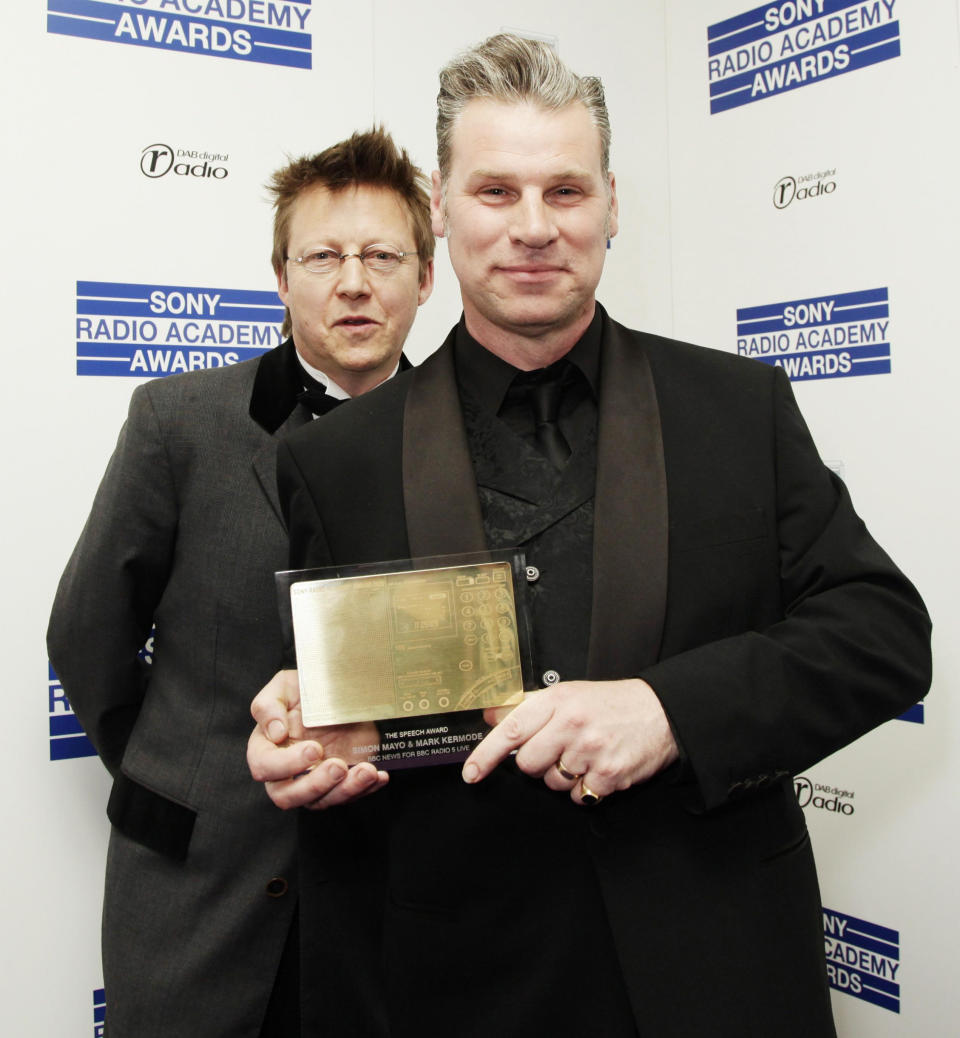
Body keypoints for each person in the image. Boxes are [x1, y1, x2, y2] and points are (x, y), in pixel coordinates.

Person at [248, 35, 931, 1038]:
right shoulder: (335, 459)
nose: (534, 228)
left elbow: (882, 636)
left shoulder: (737, 408)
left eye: (565, 192)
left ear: (613, 203)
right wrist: (307, 739)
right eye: (496, 192)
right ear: (441, 207)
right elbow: (349, 716)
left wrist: (670, 710)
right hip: (457, 986)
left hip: (719, 975)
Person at [47, 127, 434, 1038]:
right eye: (324, 255)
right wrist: (180, 769)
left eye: (383, 255)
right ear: (280, 275)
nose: (353, 281)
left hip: (399, 899)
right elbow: (87, 631)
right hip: (194, 889)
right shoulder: (177, 421)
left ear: (425, 277)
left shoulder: (468, 441)